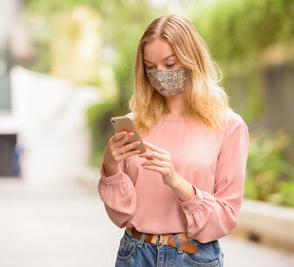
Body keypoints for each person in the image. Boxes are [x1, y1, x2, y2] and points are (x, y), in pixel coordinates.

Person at [98, 14, 250, 267]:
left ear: (192, 60)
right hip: (134, 254)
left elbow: (227, 216)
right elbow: (120, 216)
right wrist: (111, 168)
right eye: (150, 67)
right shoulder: (133, 123)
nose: (160, 74)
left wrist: (177, 182)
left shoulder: (228, 125)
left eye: (170, 64)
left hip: (193, 257)